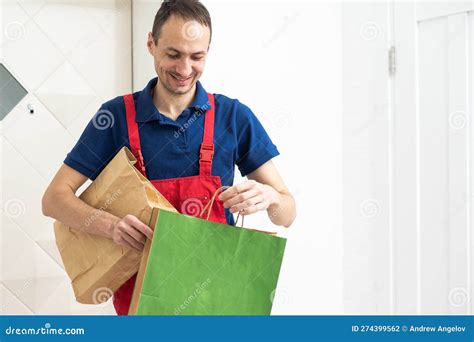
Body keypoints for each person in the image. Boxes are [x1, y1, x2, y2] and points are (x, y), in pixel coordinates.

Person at [42, 0, 296, 315]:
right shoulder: (116, 116)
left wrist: (270, 196)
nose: (185, 70)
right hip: (144, 302)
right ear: (151, 43)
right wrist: (111, 226)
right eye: (173, 54)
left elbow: (286, 214)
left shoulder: (233, 117)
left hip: (218, 298)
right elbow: (53, 199)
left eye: (197, 56)